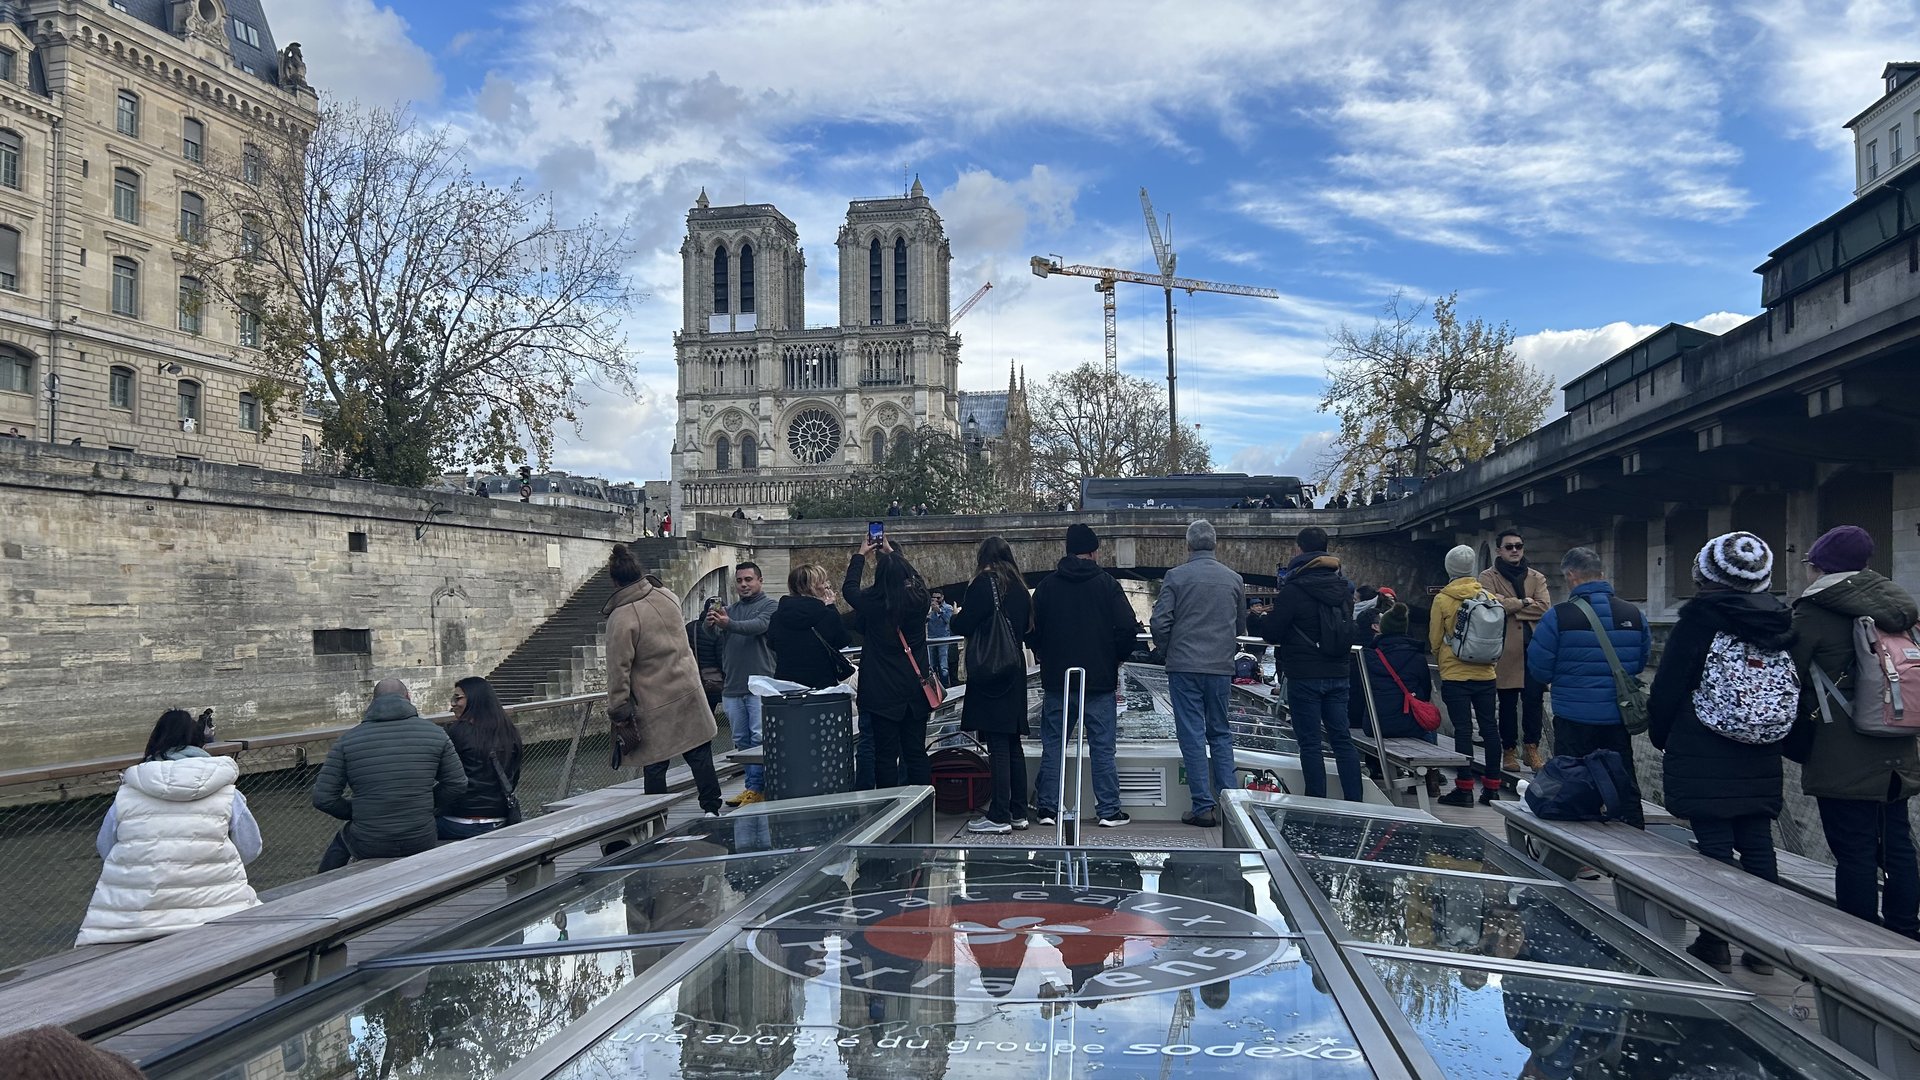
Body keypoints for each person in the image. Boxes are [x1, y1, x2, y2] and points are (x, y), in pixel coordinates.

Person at [1649, 532, 1793, 972]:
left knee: (1713, 845)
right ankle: (1763, 950)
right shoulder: (1779, 621)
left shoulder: (1698, 621)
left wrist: (1661, 734)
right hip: (1762, 747)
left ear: (1705, 574)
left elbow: (1669, 685)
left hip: (1703, 744)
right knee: (1758, 843)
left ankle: (1714, 942)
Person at [1789, 525, 1919, 939]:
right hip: (1899, 742)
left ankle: (1860, 938)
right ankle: (1905, 929)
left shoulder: (1815, 610)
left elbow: (1789, 673)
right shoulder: (1897, 607)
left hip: (1842, 751)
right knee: (1897, 845)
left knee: (1854, 851)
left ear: (1819, 566)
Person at [76, 709, 262, 944]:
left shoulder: (127, 794)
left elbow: (106, 848)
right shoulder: (227, 793)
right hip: (219, 912)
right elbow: (250, 848)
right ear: (199, 742)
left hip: (134, 923)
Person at [1527, 546, 1651, 827]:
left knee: (1571, 785)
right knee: (1623, 780)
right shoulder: (1633, 613)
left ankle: (1574, 846)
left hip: (1573, 717)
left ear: (1571, 575)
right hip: (1617, 716)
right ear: (1601, 574)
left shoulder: (1558, 616)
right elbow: (1639, 662)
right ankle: (1633, 833)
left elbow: (1539, 668)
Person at [604, 544, 723, 814]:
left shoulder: (621, 617)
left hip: (654, 699)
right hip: (688, 688)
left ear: (615, 581)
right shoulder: (667, 596)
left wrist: (618, 707)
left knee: (655, 762)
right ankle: (712, 809)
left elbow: (618, 668)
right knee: (700, 754)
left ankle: (656, 817)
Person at [312, 678, 466, 872]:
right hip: (420, 838)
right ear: (408, 697)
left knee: (342, 840)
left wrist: (359, 811)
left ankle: (322, 885)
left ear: (373, 701)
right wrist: (425, 804)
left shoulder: (347, 741)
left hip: (370, 842)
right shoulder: (436, 734)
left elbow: (323, 798)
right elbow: (457, 783)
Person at [1152, 520, 1247, 827]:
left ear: (1188, 545)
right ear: (1215, 544)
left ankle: (1203, 806)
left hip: (1184, 666)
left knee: (1192, 734)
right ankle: (1232, 807)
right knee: (1220, 732)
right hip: (1219, 667)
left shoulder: (1176, 577)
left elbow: (1160, 622)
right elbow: (1240, 626)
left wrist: (1167, 649)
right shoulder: (1234, 579)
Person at [1263, 526, 1365, 801]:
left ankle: (1316, 801)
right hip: (1338, 672)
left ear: (1299, 549)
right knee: (1342, 739)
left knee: (1310, 743)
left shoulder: (1294, 589)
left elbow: (1272, 631)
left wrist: (1265, 619)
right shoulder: (1343, 588)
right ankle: (1355, 801)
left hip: (1305, 673)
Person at [951, 537, 1034, 833]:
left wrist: (955, 616)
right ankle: (1018, 811)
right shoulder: (1021, 589)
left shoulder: (984, 584)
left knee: (997, 743)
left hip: (992, 670)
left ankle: (998, 815)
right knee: (1013, 743)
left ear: (983, 558)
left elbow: (963, 625)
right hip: (1014, 668)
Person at [844, 537, 935, 788]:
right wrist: (892, 553)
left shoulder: (873, 604)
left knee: (884, 756)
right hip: (914, 690)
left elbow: (849, 589)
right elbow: (920, 582)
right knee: (915, 753)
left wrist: (860, 555)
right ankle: (923, 802)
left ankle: (890, 805)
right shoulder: (919, 601)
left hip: (882, 691)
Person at [1432, 545, 1503, 806]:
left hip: (1455, 674)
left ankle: (1464, 789)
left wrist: (1444, 658)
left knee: (1462, 730)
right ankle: (1492, 788)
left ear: (1449, 568)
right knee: (1490, 728)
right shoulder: (1488, 597)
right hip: (1486, 673)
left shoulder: (1443, 599)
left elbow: (1435, 639)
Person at [1480, 529, 1550, 772]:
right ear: (1499, 550)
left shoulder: (1536, 577)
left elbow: (1544, 608)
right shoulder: (1488, 577)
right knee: (1507, 703)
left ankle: (1532, 748)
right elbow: (1489, 605)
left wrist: (1510, 605)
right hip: (1506, 649)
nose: (1514, 550)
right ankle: (1508, 750)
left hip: (1533, 649)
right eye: (1509, 546)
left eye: (1518, 546)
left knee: (1534, 700)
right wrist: (1525, 602)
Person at [708, 561, 777, 806]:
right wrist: (711, 624)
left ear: (760, 581)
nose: (743, 585)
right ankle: (751, 787)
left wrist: (728, 624)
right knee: (741, 741)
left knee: (760, 738)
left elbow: (757, 626)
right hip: (733, 686)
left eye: (748, 579)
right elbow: (714, 636)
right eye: (739, 581)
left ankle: (761, 787)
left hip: (760, 684)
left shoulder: (771, 606)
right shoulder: (730, 610)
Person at [436, 677, 524, 840]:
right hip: (500, 819)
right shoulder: (509, 731)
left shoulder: (457, 731)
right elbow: (514, 776)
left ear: (474, 699)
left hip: (458, 821)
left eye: (457, 698)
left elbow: (442, 775)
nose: (453, 704)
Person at [768, 563, 852, 689]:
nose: (826, 586)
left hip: (787, 685)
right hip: (822, 684)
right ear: (812, 587)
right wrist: (831, 607)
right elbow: (842, 641)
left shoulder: (777, 616)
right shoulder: (826, 615)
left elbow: (772, 644)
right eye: (823, 582)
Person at [926, 590, 956, 685]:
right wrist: (929, 612)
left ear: (942, 597)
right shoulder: (929, 608)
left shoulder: (948, 607)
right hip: (931, 639)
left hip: (943, 639)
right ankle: (936, 686)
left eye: (938, 598)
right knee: (932, 665)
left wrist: (939, 611)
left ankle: (945, 685)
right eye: (933, 598)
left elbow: (949, 621)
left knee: (943, 666)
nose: (936, 600)